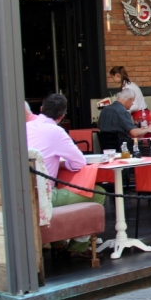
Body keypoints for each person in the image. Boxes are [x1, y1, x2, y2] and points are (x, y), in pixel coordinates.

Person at [26, 94, 105, 255]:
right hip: (43, 196)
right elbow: (79, 163)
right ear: (62, 116)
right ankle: (78, 247)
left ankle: (58, 242)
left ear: (41, 109)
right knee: (98, 193)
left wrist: (55, 162)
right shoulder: (56, 132)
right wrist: (63, 163)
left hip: (22, 193)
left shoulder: (25, 127)